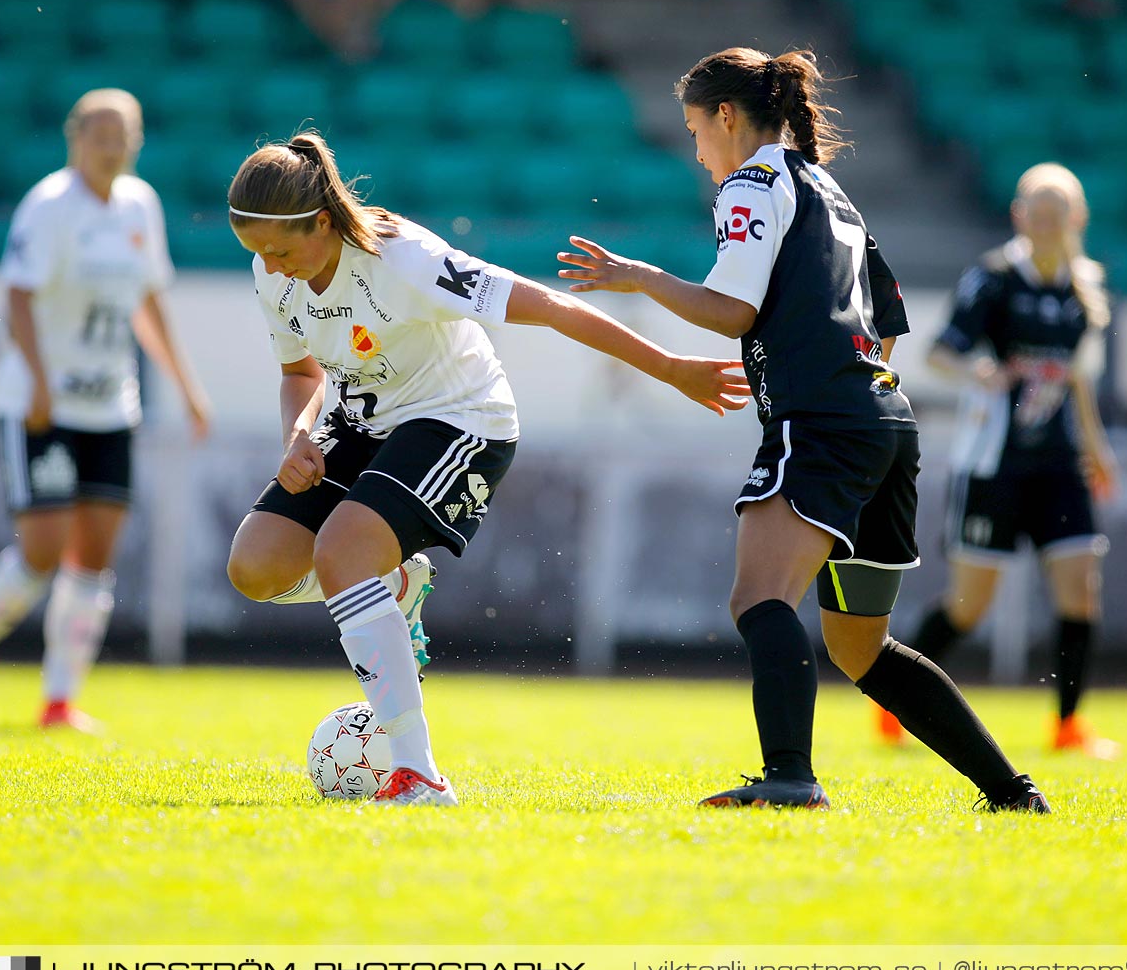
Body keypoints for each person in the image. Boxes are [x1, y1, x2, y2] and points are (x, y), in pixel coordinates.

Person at [557, 48, 1052, 812]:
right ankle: (1012, 793)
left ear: (727, 116)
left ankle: (790, 775)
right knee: (862, 651)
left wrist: (638, 276)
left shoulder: (752, 182)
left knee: (759, 598)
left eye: (695, 130)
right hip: (887, 422)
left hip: (822, 425)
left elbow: (732, 312)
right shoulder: (828, 188)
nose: (697, 152)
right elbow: (888, 321)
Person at [221, 132, 749, 806]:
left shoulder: (407, 261)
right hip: (359, 422)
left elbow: (553, 308)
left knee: (342, 552)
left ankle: (419, 775)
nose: (271, 267)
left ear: (322, 221)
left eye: (282, 251)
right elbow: (300, 372)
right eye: (257, 254)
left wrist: (672, 368)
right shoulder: (276, 268)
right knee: (256, 567)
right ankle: (393, 581)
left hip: (459, 419)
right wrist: (297, 436)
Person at [0, 89, 212, 732]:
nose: (112, 145)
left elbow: (149, 303)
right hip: (43, 407)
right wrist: (36, 381)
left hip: (111, 406)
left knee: (93, 558)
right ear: (75, 138)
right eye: (100, 133)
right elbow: (20, 296)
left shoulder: (140, 206)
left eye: (124, 134)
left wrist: (186, 386)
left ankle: (59, 699)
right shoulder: (49, 207)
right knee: (41, 551)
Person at [882, 164, 1120, 758]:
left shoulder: (1083, 292)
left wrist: (1097, 450)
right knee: (970, 604)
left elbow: (1079, 382)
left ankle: (1067, 726)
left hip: (1059, 466)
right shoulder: (992, 279)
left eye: (1056, 214)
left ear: (1076, 220)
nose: (1045, 225)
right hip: (994, 465)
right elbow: (940, 353)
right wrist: (980, 371)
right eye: (1035, 214)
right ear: (1019, 217)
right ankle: (891, 697)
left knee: (1079, 592)